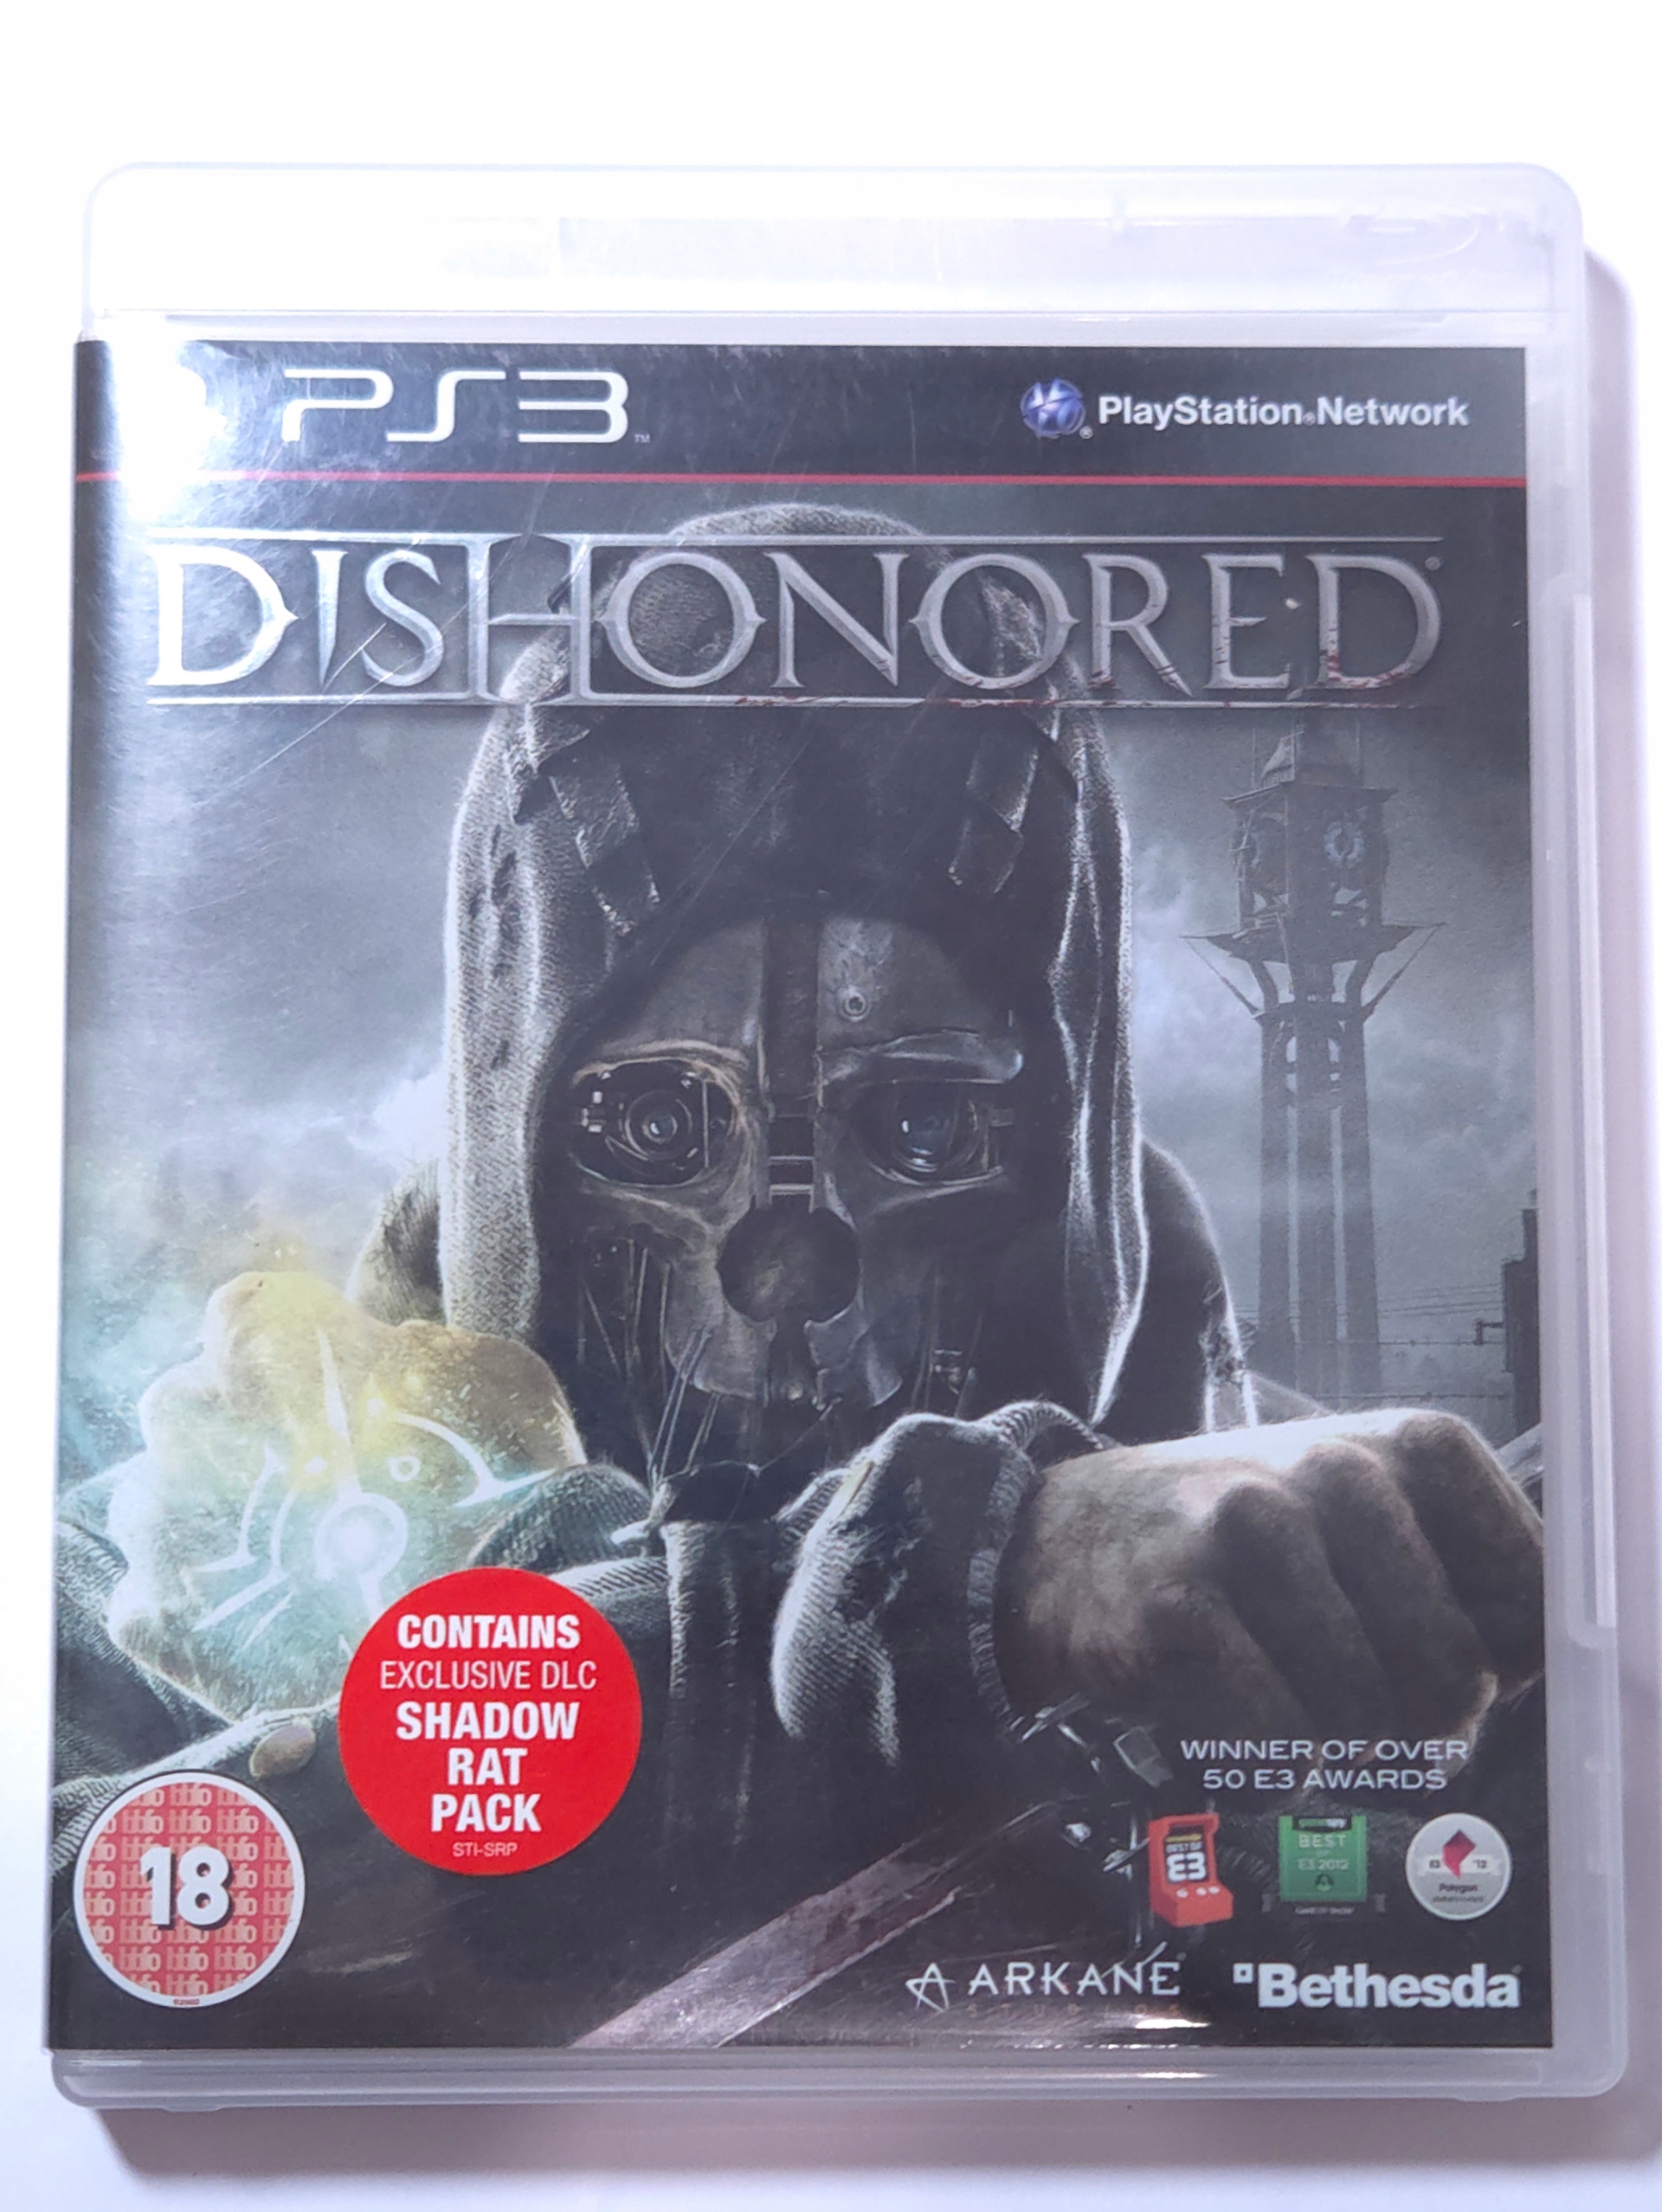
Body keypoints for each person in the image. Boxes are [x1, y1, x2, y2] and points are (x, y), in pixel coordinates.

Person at [51, 508, 1543, 2049]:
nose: (780, 1265)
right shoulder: (189, 1567)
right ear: (514, 1139)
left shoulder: (1353, 1566)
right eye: (652, 1123)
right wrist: (924, 1598)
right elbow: (75, 1952)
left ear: (1065, 1138)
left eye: (922, 1121)